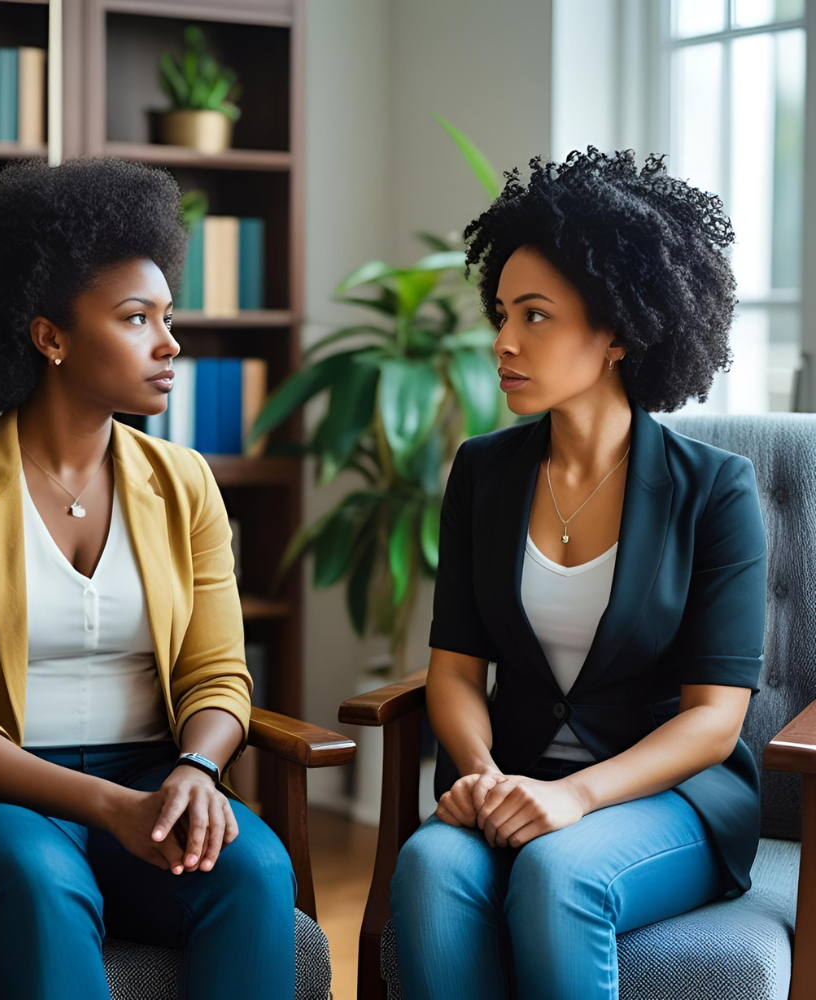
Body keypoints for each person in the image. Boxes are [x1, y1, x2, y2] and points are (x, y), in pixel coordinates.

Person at [0, 157, 298, 1000]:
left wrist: (194, 768)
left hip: (154, 775)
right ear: (49, 335)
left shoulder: (184, 482)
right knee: (44, 882)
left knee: (254, 869)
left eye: (168, 315)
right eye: (135, 318)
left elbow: (218, 675)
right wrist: (106, 807)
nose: (170, 343)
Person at [389, 146, 768, 999]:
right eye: (501, 313)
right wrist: (482, 776)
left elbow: (714, 721)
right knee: (429, 868)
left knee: (561, 874)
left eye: (535, 316)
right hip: (509, 776)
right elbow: (453, 670)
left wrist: (578, 798)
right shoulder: (482, 473)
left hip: (669, 801)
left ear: (619, 332)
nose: (502, 341)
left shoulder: (715, 490)